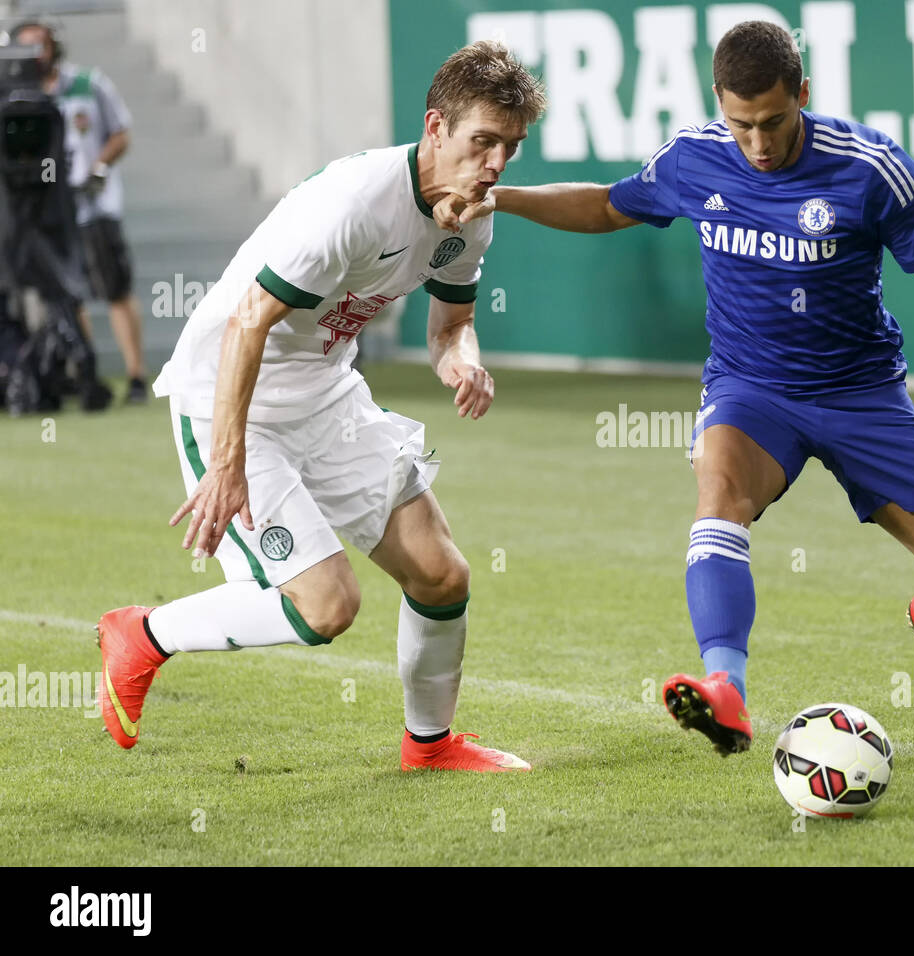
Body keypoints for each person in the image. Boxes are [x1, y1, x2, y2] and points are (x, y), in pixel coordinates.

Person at [466, 21, 914, 753]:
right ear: (720, 106)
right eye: (741, 124)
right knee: (718, 496)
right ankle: (726, 691)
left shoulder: (869, 167)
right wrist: (502, 198)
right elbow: (608, 205)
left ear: (804, 96)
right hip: (750, 390)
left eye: (774, 122)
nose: (757, 143)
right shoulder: (696, 158)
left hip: (862, 394)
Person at [94, 41, 545, 773]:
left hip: (326, 392)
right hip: (230, 395)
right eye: (482, 142)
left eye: (510, 148)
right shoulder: (354, 204)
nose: (494, 164)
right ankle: (143, 635)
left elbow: (450, 328)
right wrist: (228, 459)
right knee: (326, 605)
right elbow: (249, 318)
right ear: (436, 127)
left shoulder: (471, 215)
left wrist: (465, 365)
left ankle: (429, 747)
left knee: (441, 574)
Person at [15, 20, 150, 404]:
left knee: (115, 289)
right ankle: (86, 375)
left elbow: (121, 132)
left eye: (39, 46)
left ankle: (137, 377)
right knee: (67, 298)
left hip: (94, 207)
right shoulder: (17, 97)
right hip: (50, 214)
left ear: (54, 46)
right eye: (24, 48)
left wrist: (99, 168)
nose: (34, 55)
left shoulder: (89, 85)